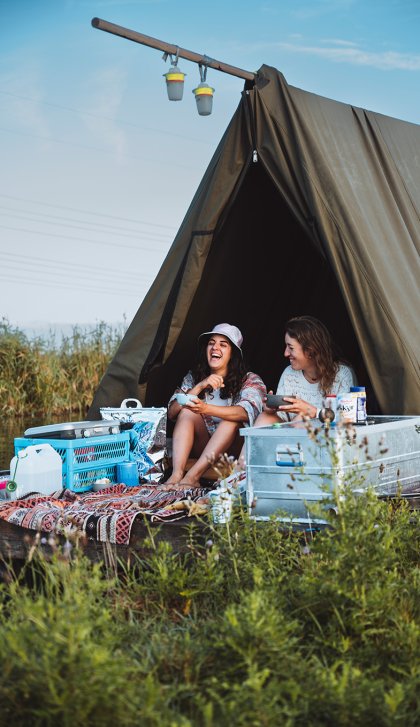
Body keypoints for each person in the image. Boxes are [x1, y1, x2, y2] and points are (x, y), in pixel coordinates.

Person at [165, 323, 266, 488]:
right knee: (187, 412)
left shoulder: (249, 380)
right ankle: (177, 474)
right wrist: (200, 386)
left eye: (223, 344)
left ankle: (192, 477)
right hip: (204, 449)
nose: (215, 347)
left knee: (231, 420)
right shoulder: (194, 377)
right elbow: (172, 412)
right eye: (211, 343)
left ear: (232, 354)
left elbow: (246, 412)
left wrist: (206, 409)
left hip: (233, 452)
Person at [255, 315, 355, 426]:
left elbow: (348, 419)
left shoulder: (342, 374)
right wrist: (272, 409)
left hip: (327, 438)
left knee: (303, 418)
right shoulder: (289, 373)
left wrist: (313, 412)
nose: (286, 353)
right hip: (292, 434)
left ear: (310, 350)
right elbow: (283, 419)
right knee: (265, 417)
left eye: (291, 348)